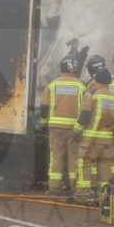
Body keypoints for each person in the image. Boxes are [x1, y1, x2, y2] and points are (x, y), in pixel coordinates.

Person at [74, 57, 114, 204]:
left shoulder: (93, 94)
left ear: (97, 80)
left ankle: (83, 193)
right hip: (107, 139)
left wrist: (77, 131)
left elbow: (85, 114)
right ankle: (103, 194)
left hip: (91, 138)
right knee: (104, 165)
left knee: (84, 163)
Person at [39, 54, 86, 194]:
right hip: (74, 129)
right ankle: (74, 188)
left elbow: (44, 106)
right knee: (74, 159)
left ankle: (54, 188)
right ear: (75, 70)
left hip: (55, 128)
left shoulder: (52, 85)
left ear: (61, 68)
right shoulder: (82, 86)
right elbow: (87, 108)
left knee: (56, 157)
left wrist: (42, 124)